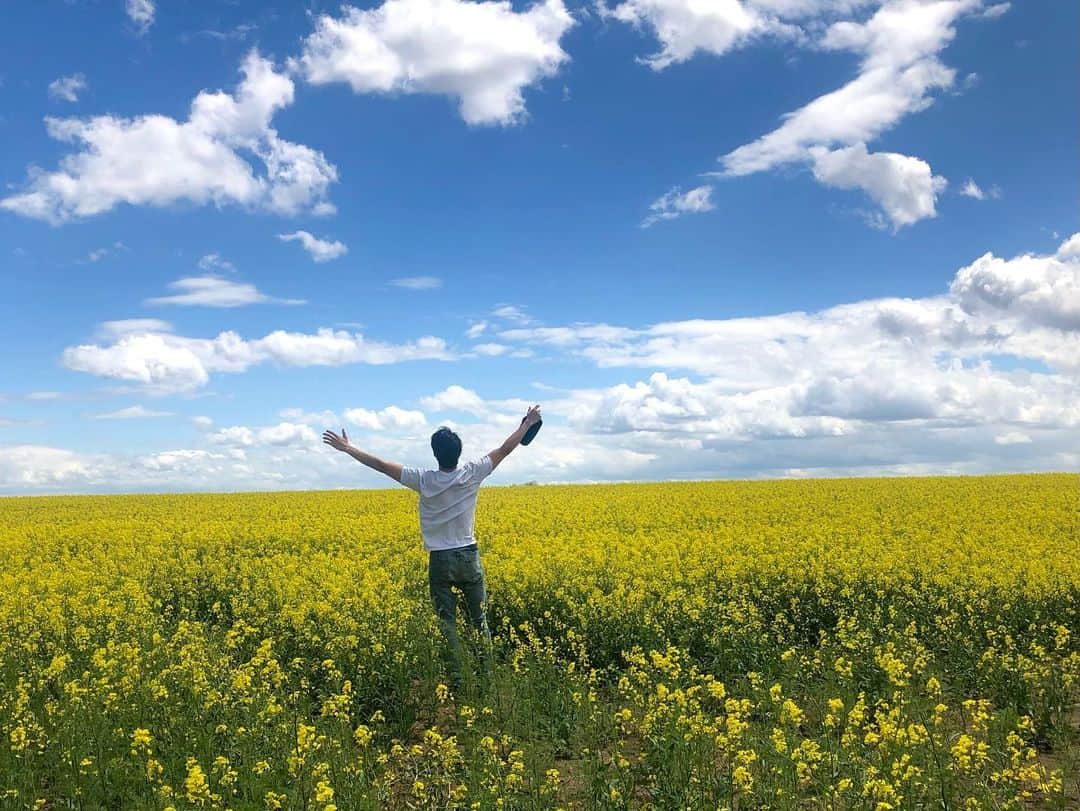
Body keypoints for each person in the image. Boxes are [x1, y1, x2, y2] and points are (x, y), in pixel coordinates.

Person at [322, 405, 542, 687]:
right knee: (480, 621)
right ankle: (487, 677)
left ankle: (458, 680)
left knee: (447, 623)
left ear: (435, 454)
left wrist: (349, 448)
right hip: (468, 556)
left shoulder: (423, 479)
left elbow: (380, 464)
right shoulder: (471, 473)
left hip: (440, 560)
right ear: (459, 452)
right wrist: (527, 424)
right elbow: (505, 449)